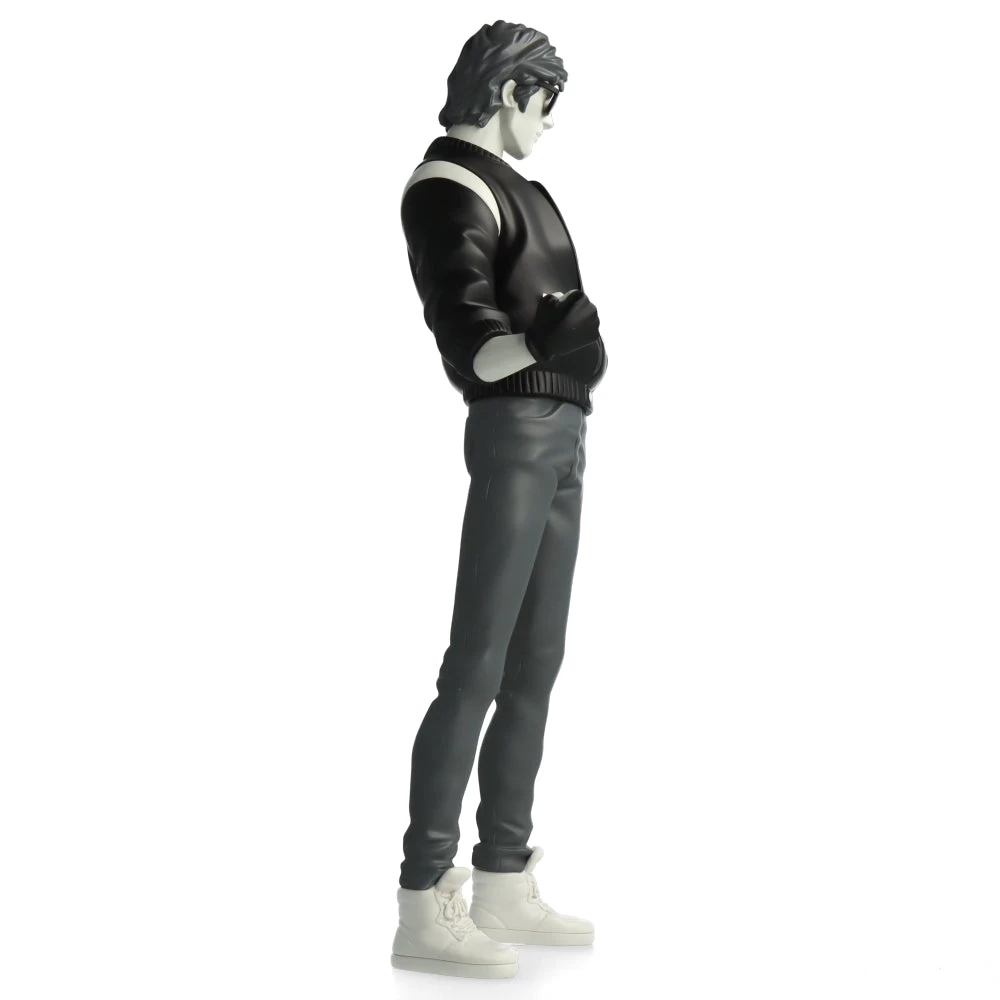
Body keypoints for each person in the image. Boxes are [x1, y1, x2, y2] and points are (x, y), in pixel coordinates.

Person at [391, 21, 608, 979]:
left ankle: (503, 875)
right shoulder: (449, 184)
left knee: (536, 657)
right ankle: (423, 898)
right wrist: (550, 342)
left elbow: (560, 325)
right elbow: (471, 338)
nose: (549, 123)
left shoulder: (530, 190)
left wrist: (569, 348)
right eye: (545, 103)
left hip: (563, 431)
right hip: (516, 429)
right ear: (511, 91)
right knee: (476, 659)